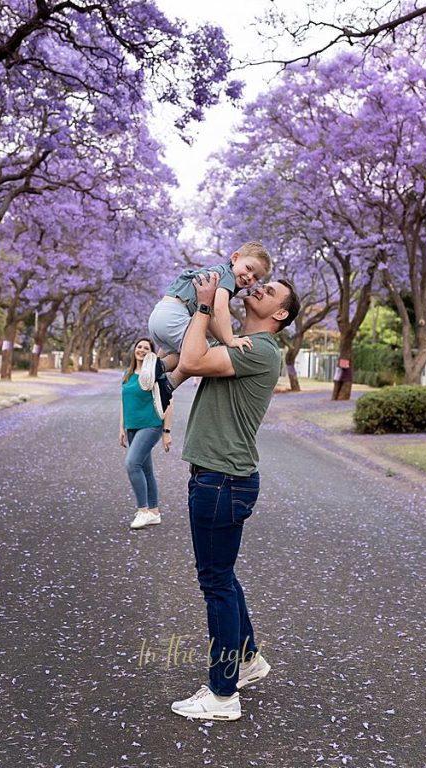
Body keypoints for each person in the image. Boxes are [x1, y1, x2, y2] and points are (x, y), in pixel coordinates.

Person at [169, 271, 300, 722]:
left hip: (222, 481)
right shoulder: (245, 345)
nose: (258, 289)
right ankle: (247, 660)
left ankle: (223, 695)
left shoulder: (260, 350)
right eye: (260, 284)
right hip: (223, 479)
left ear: (280, 314)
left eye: (270, 292)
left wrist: (205, 305)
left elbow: (192, 358)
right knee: (223, 577)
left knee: (216, 584)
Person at [140, 242, 272, 419]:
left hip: (160, 316)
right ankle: (159, 368)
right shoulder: (226, 277)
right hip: (174, 317)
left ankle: (160, 377)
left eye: (256, 277)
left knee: (187, 350)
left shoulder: (216, 273)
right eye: (248, 268)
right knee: (199, 351)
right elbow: (219, 310)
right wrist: (231, 341)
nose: (249, 277)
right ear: (235, 258)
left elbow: (208, 319)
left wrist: (226, 338)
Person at [118, 338, 174, 530]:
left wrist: (166, 432)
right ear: (134, 350)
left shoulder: (155, 373)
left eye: (146, 348)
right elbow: (124, 403)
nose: (141, 350)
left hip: (151, 425)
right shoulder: (127, 375)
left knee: (132, 463)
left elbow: (169, 402)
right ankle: (155, 512)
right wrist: (122, 428)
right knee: (146, 469)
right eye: (139, 347)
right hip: (132, 426)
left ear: (151, 353)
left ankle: (143, 511)